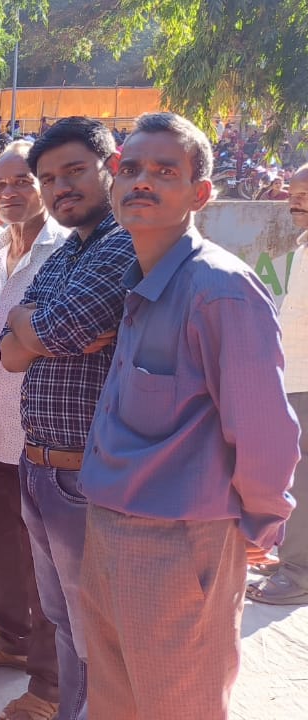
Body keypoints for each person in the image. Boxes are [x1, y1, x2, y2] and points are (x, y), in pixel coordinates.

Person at [79, 112, 299, 718]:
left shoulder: (220, 288)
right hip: (109, 528)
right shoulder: (144, 280)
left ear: (200, 194)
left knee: (180, 704)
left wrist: (261, 523)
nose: (142, 181)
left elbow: (264, 431)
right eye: (130, 169)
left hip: (179, 543)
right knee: (116, 702)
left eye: (164, 171)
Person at [0, 117, 138, 720]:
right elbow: (8, 351)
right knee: (62, 621)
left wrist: (34, 329)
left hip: (87, 476)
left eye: (75, 171)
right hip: (39, 467)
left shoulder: (123, 243)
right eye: (49, 178)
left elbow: (59, 327)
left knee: (97, 629)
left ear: (113, 167)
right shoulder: (66, 253)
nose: (61, 188)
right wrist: (32, 328)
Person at [0, 141, 67, 720]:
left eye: (22, 180)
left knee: (44, 566)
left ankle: (50, 685)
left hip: (40, 435)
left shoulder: (64, 250)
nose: (8, 192)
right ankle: (11, 640)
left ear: (45, 185)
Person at [249, 162, 308, 606]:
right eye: (293, 193)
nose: (295, 201)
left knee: (301, 478)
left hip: (305, 380)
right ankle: (290, 556)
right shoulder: (302, 247)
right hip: (292, 376)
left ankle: (298, 571)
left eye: (305, 194)